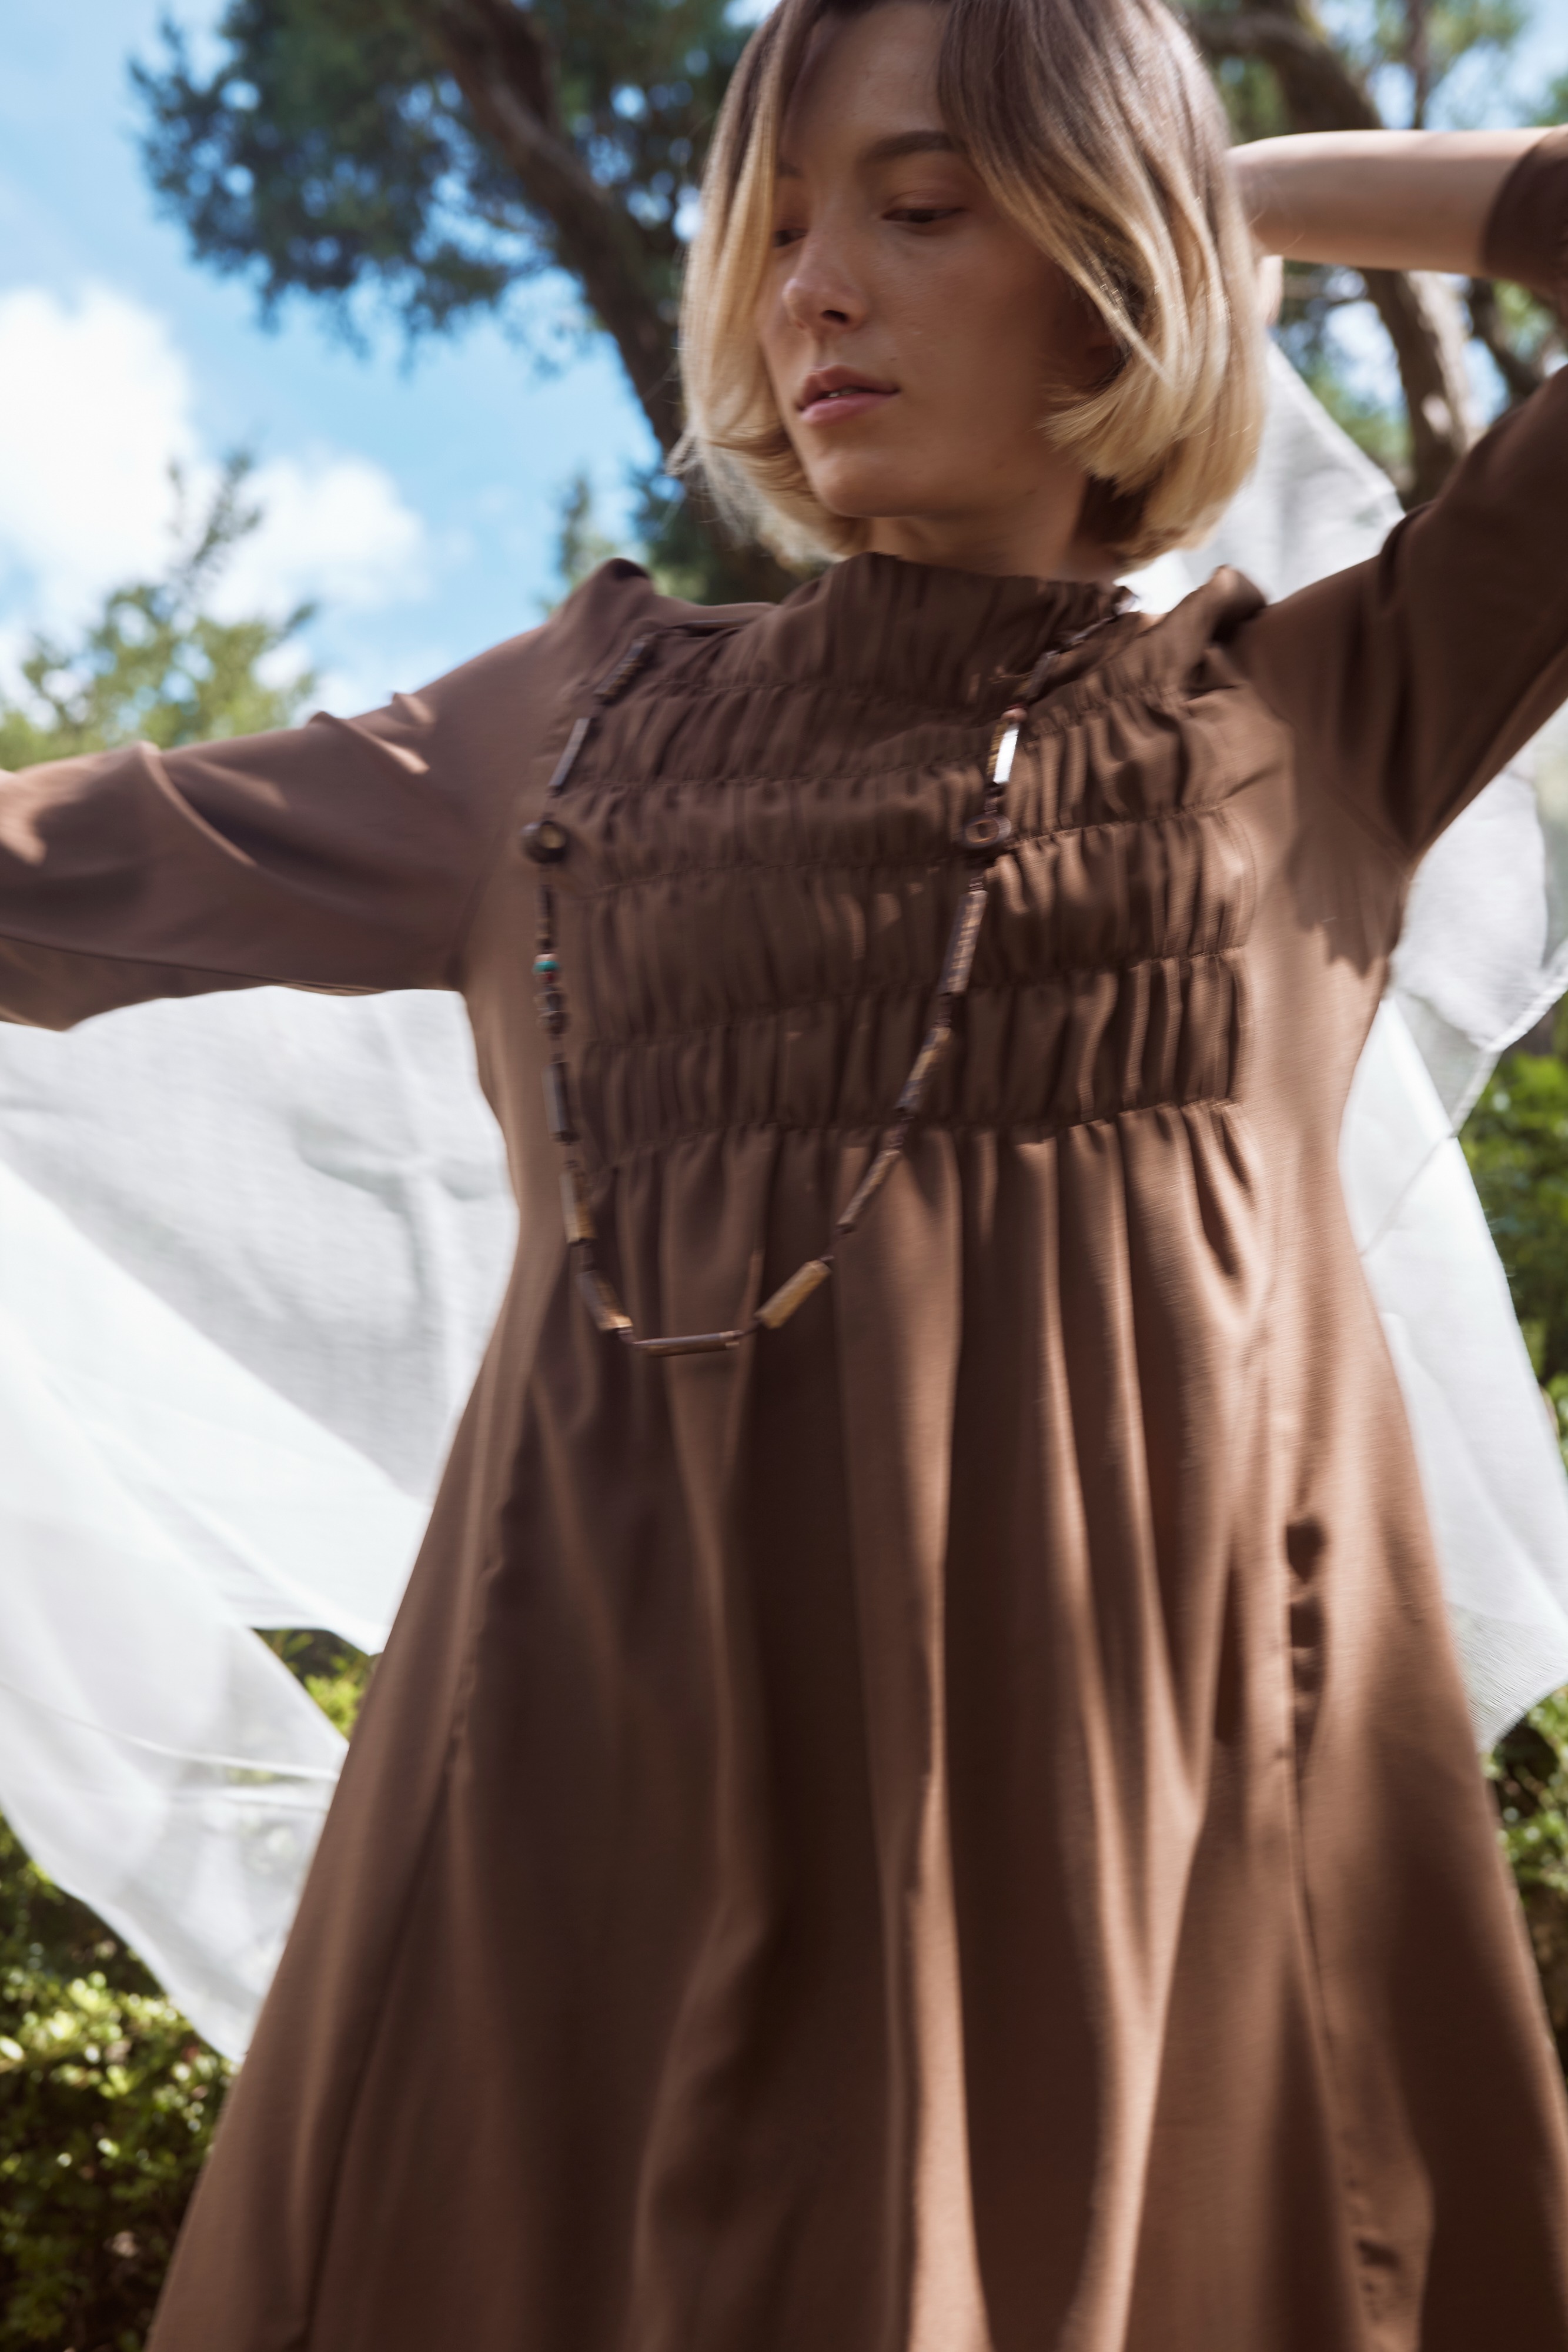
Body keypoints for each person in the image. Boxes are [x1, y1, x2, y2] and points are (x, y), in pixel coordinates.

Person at [2, 0, 1565, 2338]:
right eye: (775, 226)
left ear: (1102, 268)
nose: (808, 288)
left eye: (919, 210)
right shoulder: (559, 739)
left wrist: (1228, 195)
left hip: (1158, 1867)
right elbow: (49, 874)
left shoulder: (1324, 722)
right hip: (587, 1841)